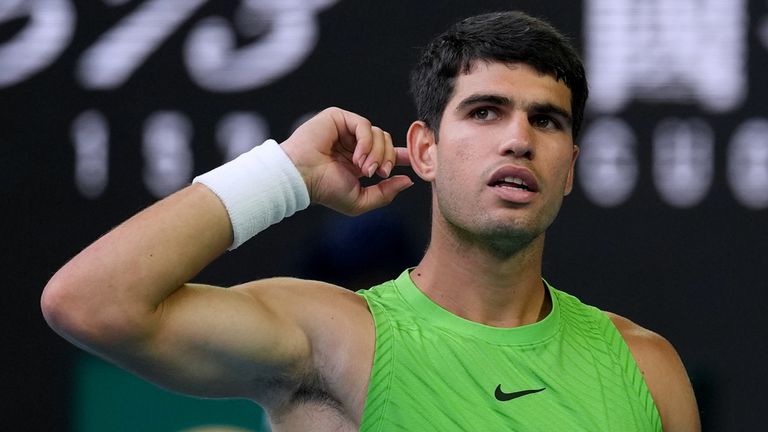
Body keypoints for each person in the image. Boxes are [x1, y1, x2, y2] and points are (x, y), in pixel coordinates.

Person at [41, 10, 700, 431]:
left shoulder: (646, 367)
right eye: (484, 112)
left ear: (571, 167)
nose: (519, 140)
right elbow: (90, 303)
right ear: (424, 150)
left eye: (546, 120)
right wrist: (284, 178)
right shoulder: (335, 337)